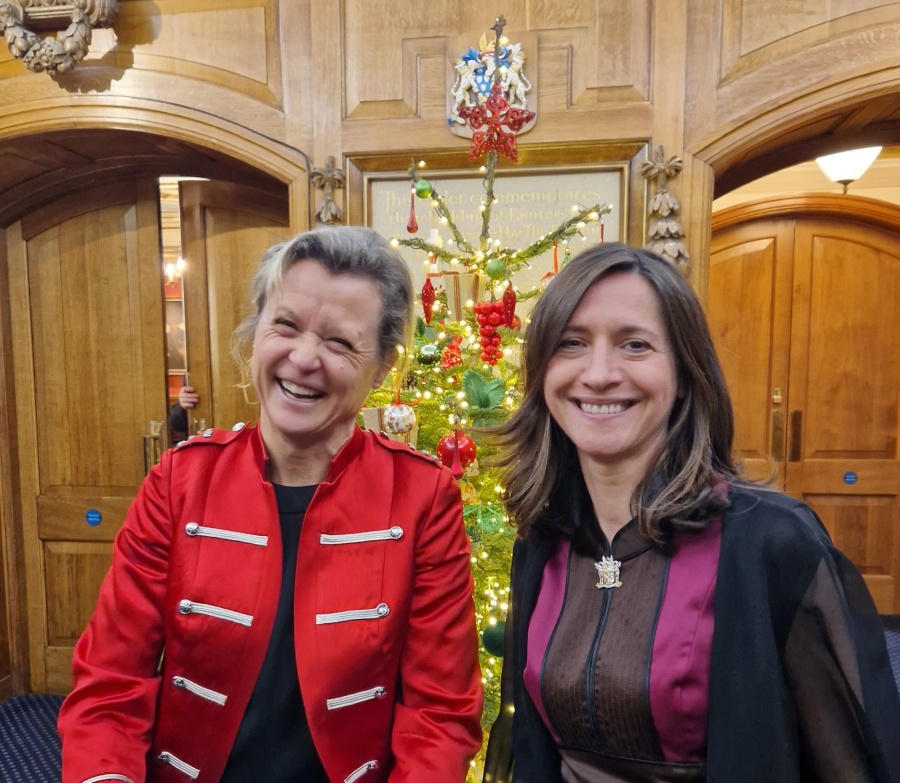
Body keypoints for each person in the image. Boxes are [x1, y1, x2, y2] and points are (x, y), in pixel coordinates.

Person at [58, 226, 483, 783]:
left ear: (381, 368)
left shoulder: (423, 497)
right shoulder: (180, 481)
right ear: (256, 333)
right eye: (285, 325)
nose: (303, 359)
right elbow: (110, 688)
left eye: (339, 342)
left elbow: (438, 717)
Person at [482, 242, 900, 783]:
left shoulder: (774, 544)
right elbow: (531, 750)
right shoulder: (542, 541)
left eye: (635, 345)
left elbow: (849, 764)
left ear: (684, 374)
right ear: (543, 373)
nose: (600, 373)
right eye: (571, 344)